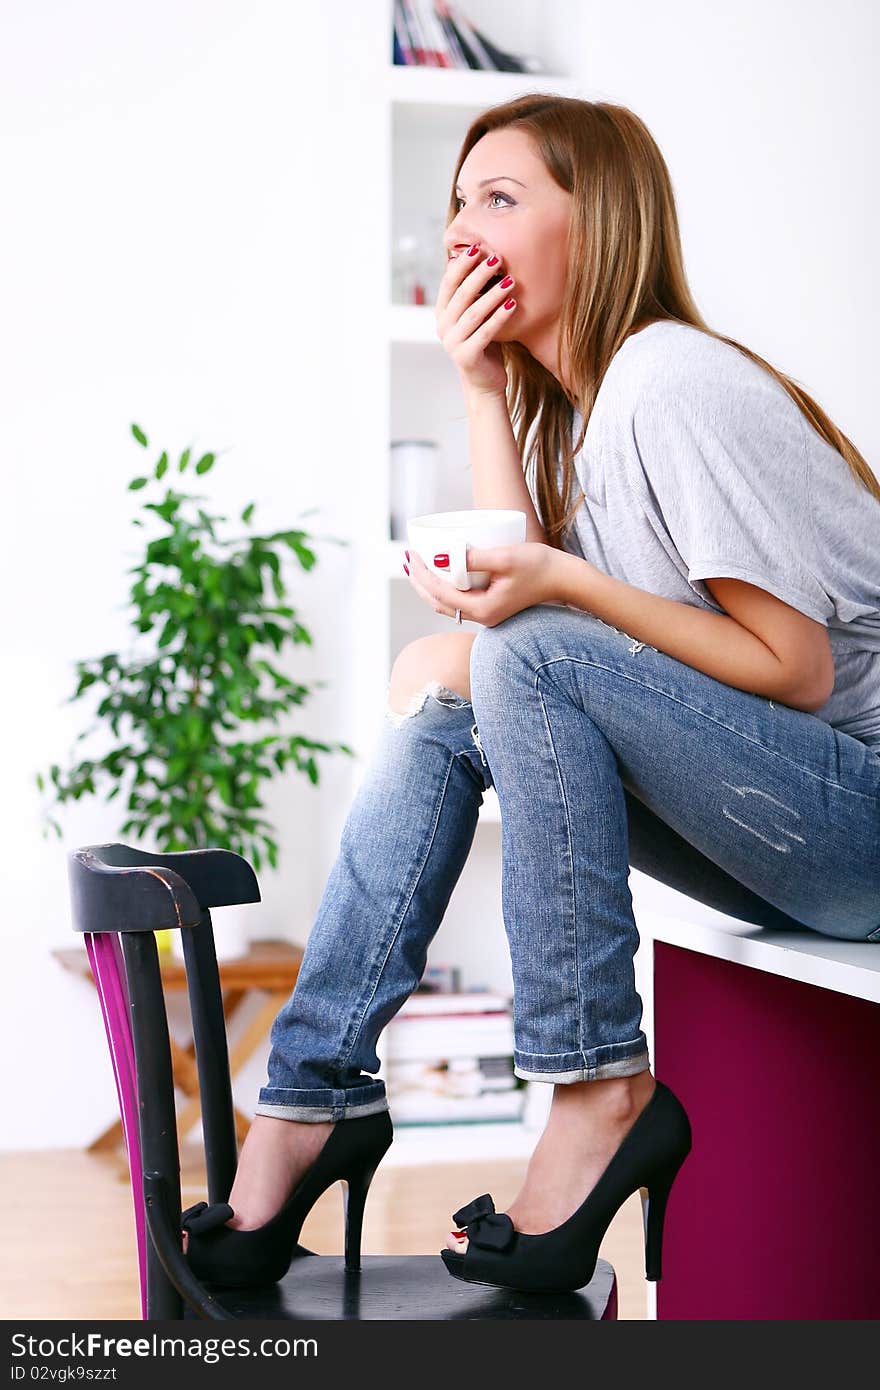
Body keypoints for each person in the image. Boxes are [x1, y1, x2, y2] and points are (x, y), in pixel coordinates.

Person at [182, 95, 880, 1295]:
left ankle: (598, 1083)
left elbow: (792, 667)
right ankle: (311, 1096)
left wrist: (545, 590)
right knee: (482, 689)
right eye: (455, 204)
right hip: (784, 821)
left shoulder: (666, 380)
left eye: (498, 199)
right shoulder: (585, 421)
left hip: (854, 816)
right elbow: (518, 625)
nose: (461, 232)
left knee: (514, 661)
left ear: (597, 221)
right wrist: (481, 385)